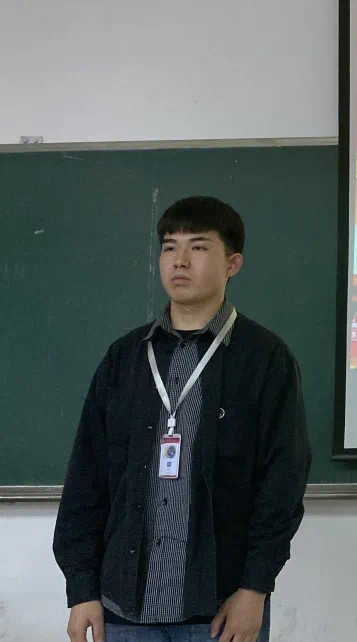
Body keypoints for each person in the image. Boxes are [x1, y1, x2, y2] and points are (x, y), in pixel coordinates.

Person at [53, 197, 312, 642]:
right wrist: (81, 589)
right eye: (170, 247)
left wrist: (255, 588)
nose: (180, 260)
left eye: (198, 247)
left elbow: (282, 483)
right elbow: (86, 478)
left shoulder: (264, 359)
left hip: (220, 608)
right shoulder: (125, 358)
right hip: (123, 607)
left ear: (232, 264)